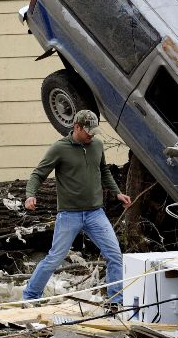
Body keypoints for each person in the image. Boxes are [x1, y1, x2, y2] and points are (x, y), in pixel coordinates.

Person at [22, 109, 132, 309]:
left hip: (95, 213)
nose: (91, 135)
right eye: (87, 131)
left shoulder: (97, 145)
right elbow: (38, 174)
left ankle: (116, 302)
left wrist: (117, 192)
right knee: (55, 258)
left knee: (115, 254)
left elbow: (104, 170)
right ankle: (30, 297)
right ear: (76, 127)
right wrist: (31, 194)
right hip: (69, 214)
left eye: (94, 131)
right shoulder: (60, 149)